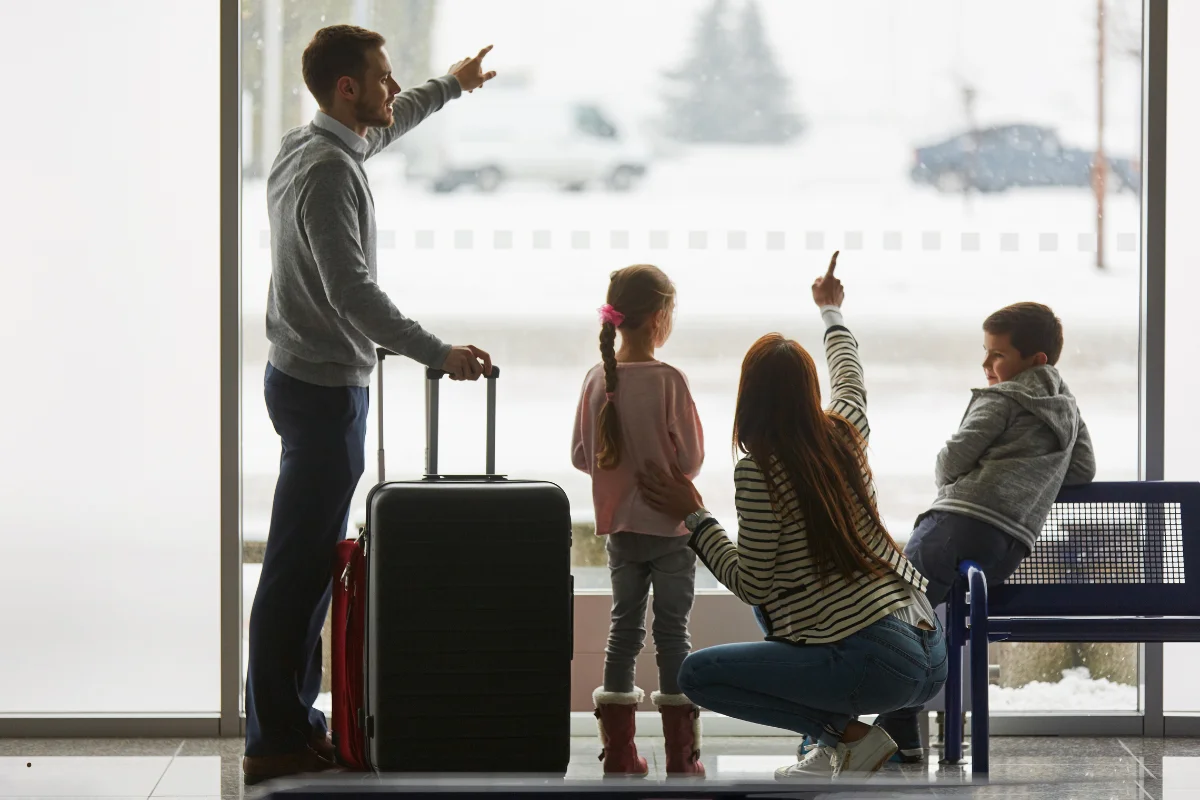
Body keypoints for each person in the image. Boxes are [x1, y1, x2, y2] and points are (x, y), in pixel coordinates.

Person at [243, 25, 497, 785]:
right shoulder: (326, 171)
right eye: (383, 79)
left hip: (306, 380)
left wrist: (448, 86)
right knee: (296, 571)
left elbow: (387, 127)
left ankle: (291, 722)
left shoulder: (312, 148)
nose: (393, 89)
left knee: (306, 567)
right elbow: (351, 293)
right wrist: (438, 352)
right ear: (347, 90)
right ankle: (274, 738)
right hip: (324, 392)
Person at [638, 253, 947, 781]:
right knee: (784, 610)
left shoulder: (759, 470)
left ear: (749, 398)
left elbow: (753, 582)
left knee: (699, 676)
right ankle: (834, 747)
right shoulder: (847, 431)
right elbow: (850, 377)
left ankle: (848, 737)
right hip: (928, 649)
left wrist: (696, 518)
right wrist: (831, 311)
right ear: (809, 390)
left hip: (875, 661)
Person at [870, 302, 1096, 761]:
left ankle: (876, 730)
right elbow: (1084, 470)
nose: (987, 365)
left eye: (997, 355)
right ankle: (899, 732)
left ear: (1035, 360)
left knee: (892, 606)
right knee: (918, 618)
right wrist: (1033, 476)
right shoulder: (1065, 406)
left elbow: (951, 461)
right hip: (1006, 544)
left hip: (955, 525)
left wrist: (961, 480)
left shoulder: (1001, 399)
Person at [571, 265, 706, 778]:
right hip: (671, 531)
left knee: (622, 633)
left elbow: (582, 455)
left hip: (621, 532)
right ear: (660, 317)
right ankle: (681, 756)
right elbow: (690, 460)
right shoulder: (669, 381)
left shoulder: (594, 379)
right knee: (674, 635)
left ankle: (621, 758)